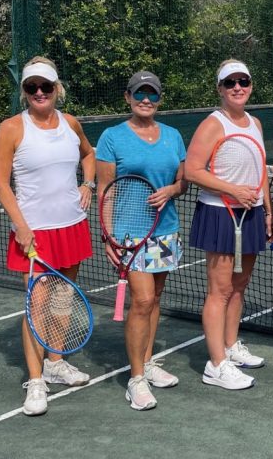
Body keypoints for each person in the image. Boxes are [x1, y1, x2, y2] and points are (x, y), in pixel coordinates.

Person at [0, 57, 95, 416]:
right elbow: (1, 183)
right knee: (36, 306)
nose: (39, 92)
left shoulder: (70, 124)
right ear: (24, 91)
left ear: (57, 89)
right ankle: (36, 381)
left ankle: (55, 361)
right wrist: (21, 225)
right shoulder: (11, 129)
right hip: (34, 232)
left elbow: (89, 155)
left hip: (72, 225)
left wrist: (89, 183)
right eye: (32, 87)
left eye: (46, 86)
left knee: (63, 299)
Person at [96, 71, 187, 410]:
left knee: (156, 297)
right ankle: (136, 379)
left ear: (159, 99)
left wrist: (173, 189)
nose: (146, 99)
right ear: (128, 97)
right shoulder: (112, 137)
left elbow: (183, 182)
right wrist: (107, 234)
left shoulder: (174, 136)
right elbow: (105, 189)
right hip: (129, 234)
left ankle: (148, 363)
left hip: (165, 230)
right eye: (139, 93)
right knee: (143, 299)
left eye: (152, 94)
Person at [185, 60, 273, 390]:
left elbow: (261, 169)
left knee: (240, 284)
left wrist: (268, 210)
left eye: (243, 81)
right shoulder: (213, 124)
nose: (238, 87)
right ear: (220, 88)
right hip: (220, 213)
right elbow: (192, 171)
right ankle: (216, 364)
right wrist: (232, 190)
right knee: (220, 290)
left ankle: (230, 345)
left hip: (250, 214)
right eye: (230, 82)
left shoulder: (256, 123)